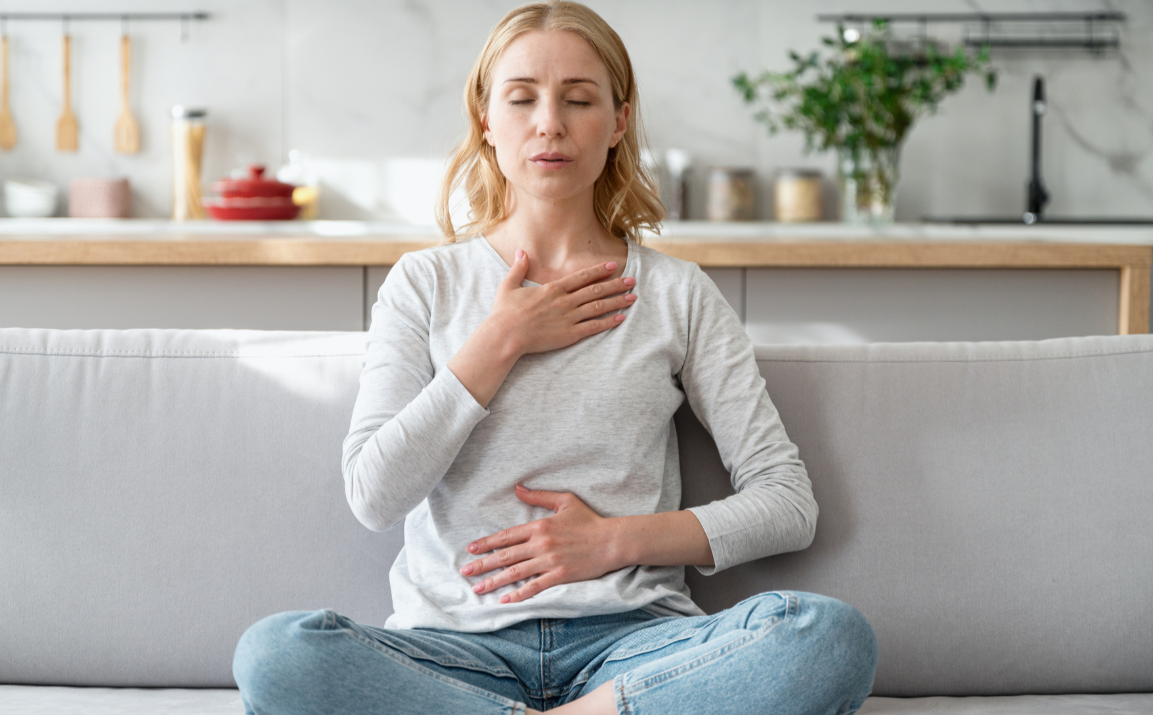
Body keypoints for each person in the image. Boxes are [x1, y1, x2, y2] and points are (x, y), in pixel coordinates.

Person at [233, 2, 877, 713]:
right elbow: (373, 494)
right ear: (485, 118)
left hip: (632, 647)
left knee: (827, 637)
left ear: (618, 121)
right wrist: (499, 339)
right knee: (276, 653)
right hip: (454, 650)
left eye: (578, 99)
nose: (549, 123)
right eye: (521, 98)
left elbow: (786, 502)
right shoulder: (425, 283)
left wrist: (611, 542)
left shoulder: (675, 293)